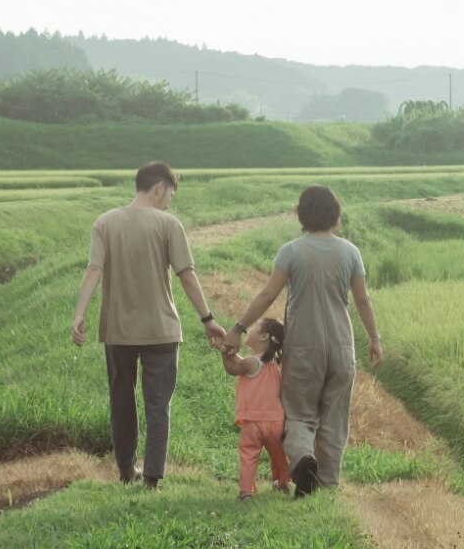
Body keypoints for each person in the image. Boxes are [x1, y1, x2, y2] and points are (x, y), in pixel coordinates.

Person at [71, 161, 227, 490]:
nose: (170, 200)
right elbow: (186, 275)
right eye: (170, 193)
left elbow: (93, 270)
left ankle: (127, 471)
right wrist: (207, 318)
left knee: (122, 401)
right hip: (161, 329)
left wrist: (80, 314)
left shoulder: (104, 223)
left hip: (117, 330)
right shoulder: (168, 224)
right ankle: (153, 477)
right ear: (159, 188)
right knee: (158, 405)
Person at [224, 185, 382, 497]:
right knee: (335, 419)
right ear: (336, 216)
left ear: (301, 215)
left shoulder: (292, 251)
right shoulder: (351, 252)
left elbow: (268, 294)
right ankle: (327, 483)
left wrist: (239, 327)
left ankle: (303, 461)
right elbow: (363, 301)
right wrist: (375, 339)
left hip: (303, 348)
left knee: (298, 413)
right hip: (342, 346)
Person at [221, 317, 290, 500]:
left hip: (253, 423)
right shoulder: (274, 364)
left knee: (249, 454)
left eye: (254, 327)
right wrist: (230, 351)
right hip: (275, 421)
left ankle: (246, 492)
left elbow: (233, 367)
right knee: (279, 454)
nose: (249, 330)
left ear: (264, 336)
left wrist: (223, 352)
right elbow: (242, 362)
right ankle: (282, 482)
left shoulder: (252, 363)